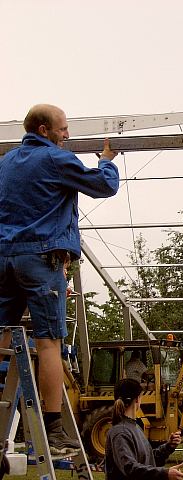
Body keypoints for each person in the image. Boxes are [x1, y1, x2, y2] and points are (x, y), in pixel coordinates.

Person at [0, 104, 119, 454]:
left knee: (2, 334)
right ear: (43, 130)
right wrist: (107, 160)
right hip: (40, 258)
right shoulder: (54, 159)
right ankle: (53, 429)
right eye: (63, 129)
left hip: (4, 256)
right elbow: (102, 186)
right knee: (49, 341)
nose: (67, 135)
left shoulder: (5, 163)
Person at [105, 378, 183, 480]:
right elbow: (129, 468)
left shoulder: (134, 427)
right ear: (137, 399)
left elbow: (148, 459)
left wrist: (168, 446)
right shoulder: (120, 432)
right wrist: (165, 473)